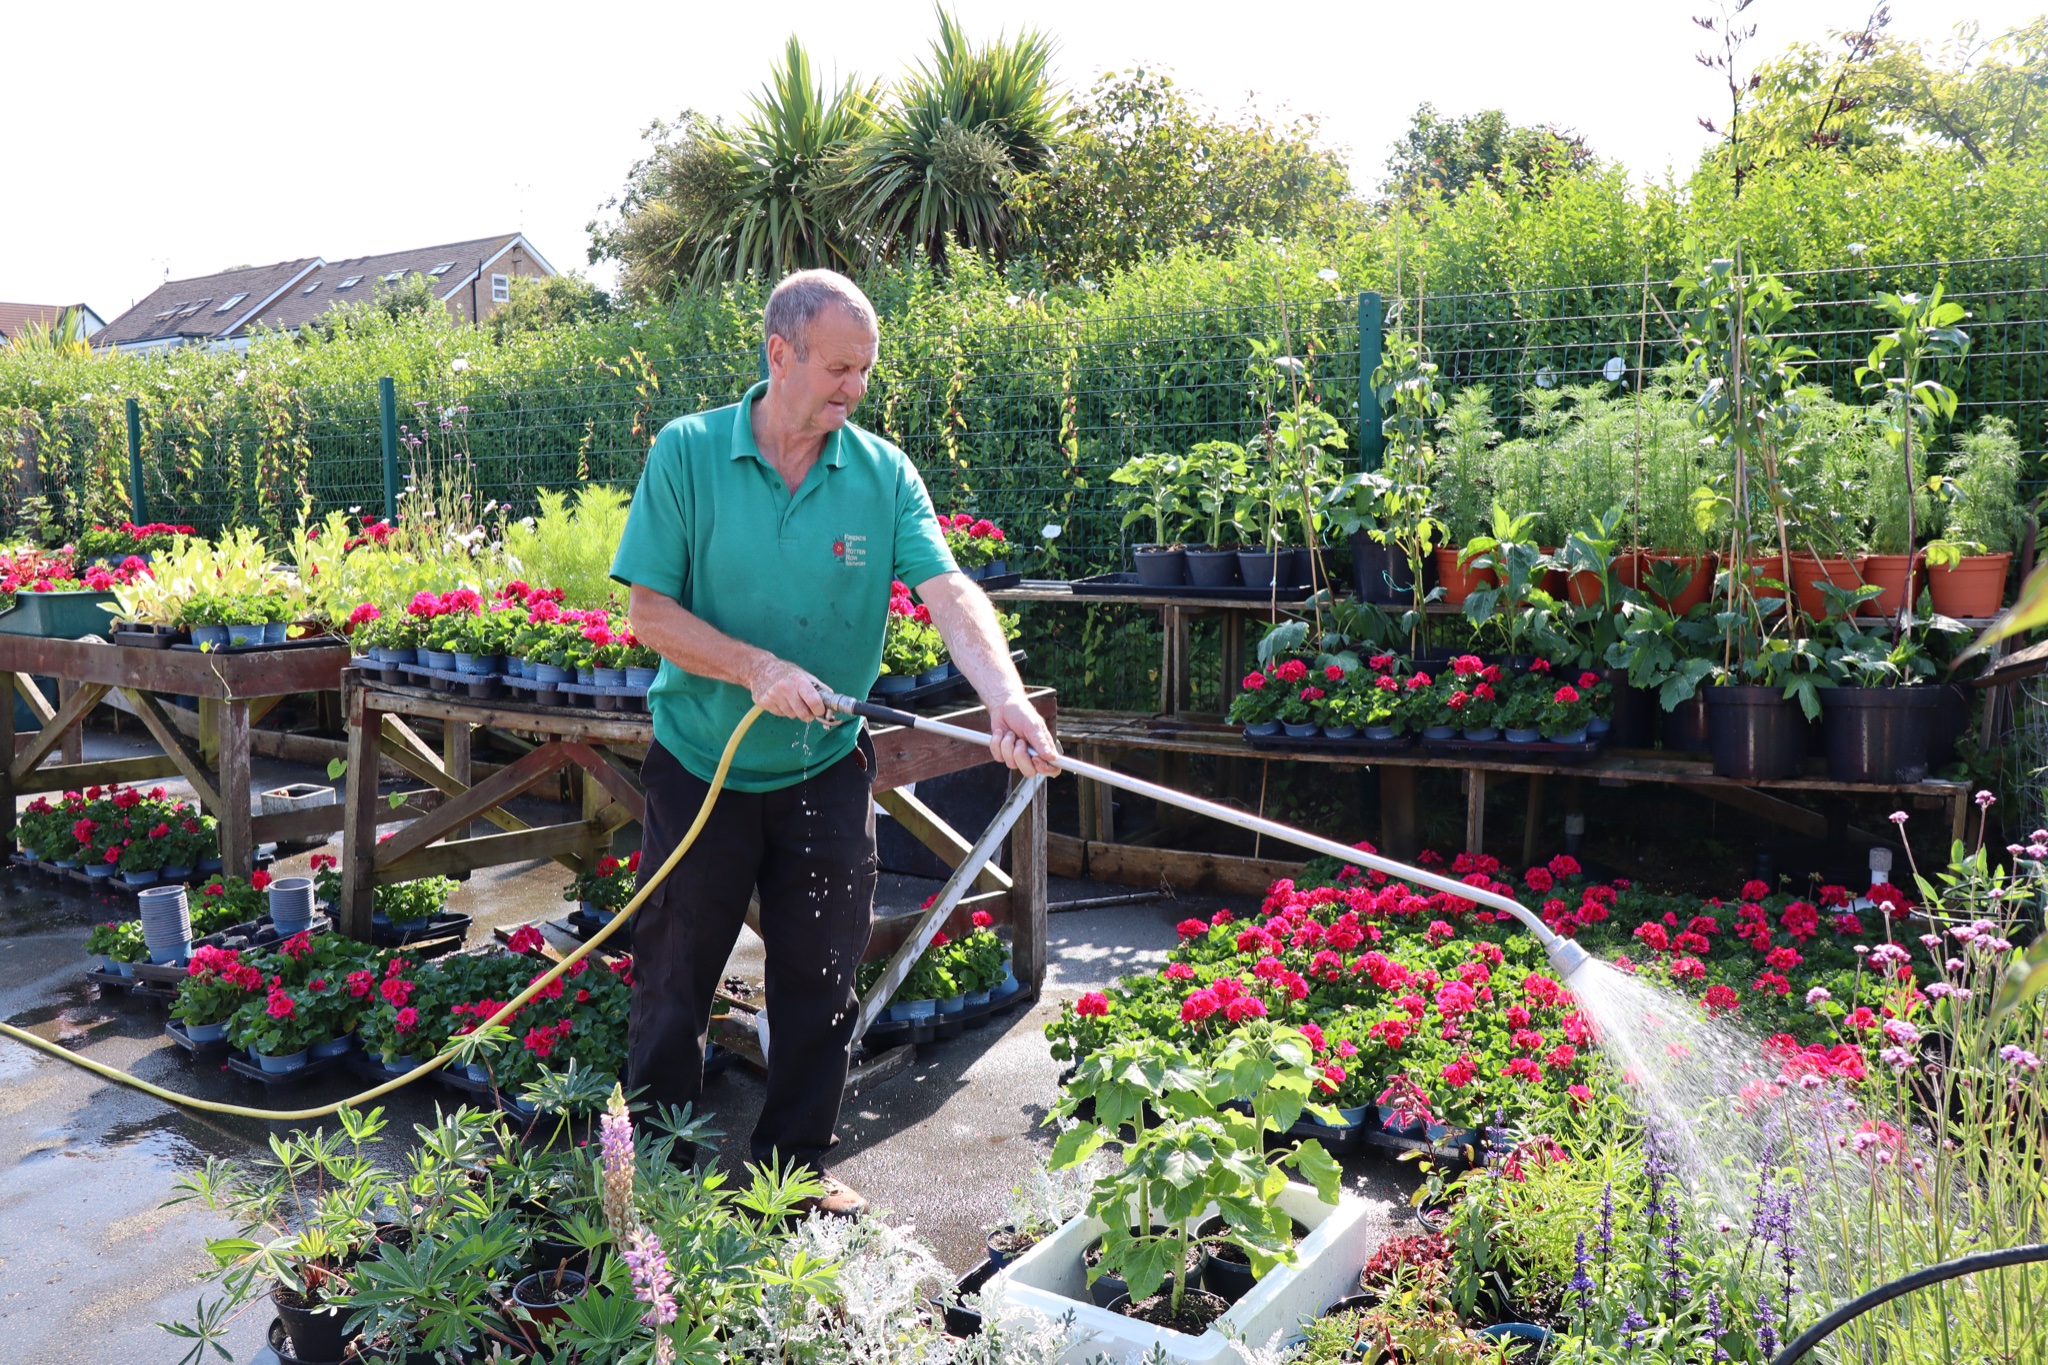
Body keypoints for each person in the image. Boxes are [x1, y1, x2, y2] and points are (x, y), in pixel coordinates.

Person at [609, 268, 1060, 1215]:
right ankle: (651, 1174)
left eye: (866, 370)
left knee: (820, 976)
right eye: (840, 367)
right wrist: (754, 668)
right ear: (781, 354)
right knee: (674, 974)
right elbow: (650, 612)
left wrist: (1003, 697)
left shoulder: (882, 473)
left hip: (822, 767)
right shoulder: (687, 453)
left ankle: (791, 1170)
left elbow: (949, 592)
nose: (855, 387)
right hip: (702, 765)